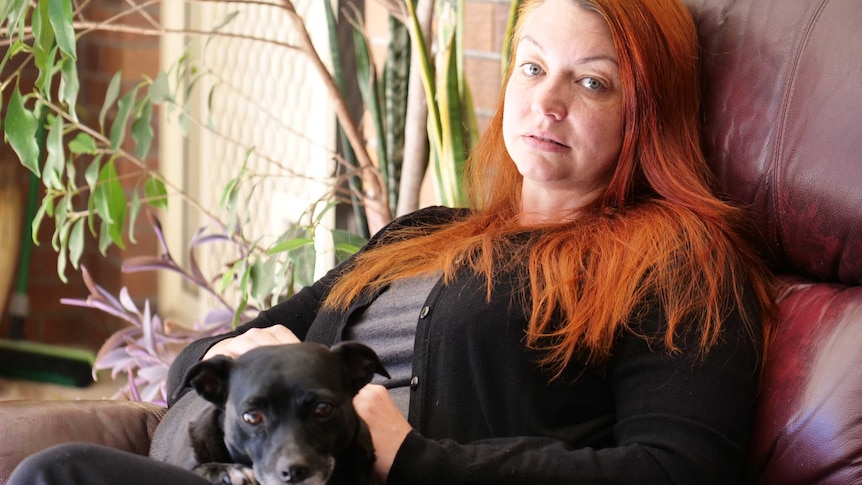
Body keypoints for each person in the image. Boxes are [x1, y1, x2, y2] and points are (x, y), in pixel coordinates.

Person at [9, 0, 776, 483]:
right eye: (533, 66)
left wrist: (415, 456)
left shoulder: (680, 263)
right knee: (59, 470)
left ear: (649, 112)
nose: (546, 100)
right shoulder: (425, 233)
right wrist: (230, 360)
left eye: (593, 82)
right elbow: (204, 361)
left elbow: (681, 468)